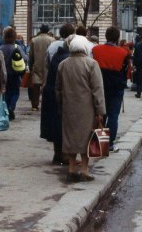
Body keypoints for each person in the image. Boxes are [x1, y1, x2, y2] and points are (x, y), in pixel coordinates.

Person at [55, 35, 106, 183]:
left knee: (70, 137)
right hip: (87, 108)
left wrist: (61, 104)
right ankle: (84, 169)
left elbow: (58, 89)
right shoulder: (91, 64)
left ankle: (71, 169)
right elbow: (97, 89)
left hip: (68, 107)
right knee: (87, 139)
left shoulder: (63, 64)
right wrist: (100, 110)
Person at [92, 26, 131, 153]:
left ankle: (99, 145)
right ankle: (109, 144)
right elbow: (126, 72)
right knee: (113, 116)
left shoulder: (96, 50)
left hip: (99, 86)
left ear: (106, 36)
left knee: (101, 115)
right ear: (117, 38)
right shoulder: (123, 53)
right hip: (116, 87)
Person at [41, 24, 75, 165]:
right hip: (65, 89)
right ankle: (66, 154)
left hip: (51, 86)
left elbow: (47, 64)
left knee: (54, 121)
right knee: (65, 122)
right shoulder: (72, 46)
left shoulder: (53, 46)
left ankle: (57, 152)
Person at [0, 27, 24, 120]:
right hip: (15, 74)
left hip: (4, 74)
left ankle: (6, 108)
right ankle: (11, 106)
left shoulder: (1, 48)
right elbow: (25, 58)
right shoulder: (16, 47)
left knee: (6, 92)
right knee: (15, 92)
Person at [28, 24, 54, 111]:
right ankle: (46, 105)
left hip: (37, 65)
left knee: (35, 87)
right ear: (47, 30)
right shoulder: (52, 40)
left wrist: (31, 66)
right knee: (47, 86)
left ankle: (34, 105)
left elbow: (30, 55)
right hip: (47, 66)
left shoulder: (34, 40)